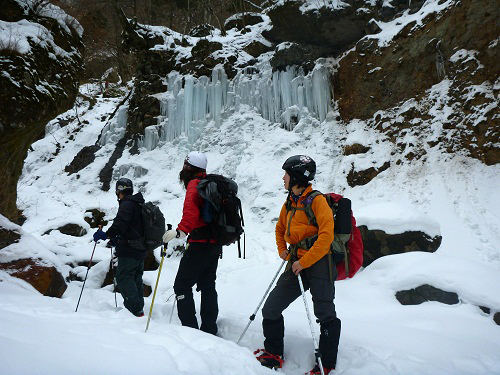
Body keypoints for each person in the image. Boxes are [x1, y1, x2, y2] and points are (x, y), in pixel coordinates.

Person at [255, 155, 341, 375]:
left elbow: (326, 237)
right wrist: (282, 249)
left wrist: (304, 261)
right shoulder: (290, 202)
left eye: (286, 174)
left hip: (319, 263)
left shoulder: (317, 200)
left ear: (296, 176)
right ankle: (273, 354)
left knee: (325, 315)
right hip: (296, 264)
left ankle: (326, 366)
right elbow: (279, 229)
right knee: (271, 308)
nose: (282, 178)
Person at [162, 151, 221, 335]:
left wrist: (180, 231)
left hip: (199, 242)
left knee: (181, 286)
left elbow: (191, 212)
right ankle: (209, 328)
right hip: (214, 242)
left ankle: (190, 330)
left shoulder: (195, 185)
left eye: (185, 165)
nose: (183, 168)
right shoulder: (211, 184)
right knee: (208, 284)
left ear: (190, 167)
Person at [93, 177, 146, 317]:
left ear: (119, 191)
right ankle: (139, 309)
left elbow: (120, 223)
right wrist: (117, 239)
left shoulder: (127, 204)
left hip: (130, 250)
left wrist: (106, 235)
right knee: (136, 278)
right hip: (140, 248)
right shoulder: (138, 203)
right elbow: (132, 226)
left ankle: (134, 310)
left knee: (124, 277)